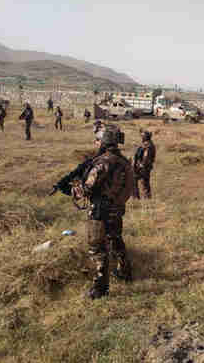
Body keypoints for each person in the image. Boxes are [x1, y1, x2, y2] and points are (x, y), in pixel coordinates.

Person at [71, 126, 134, 299]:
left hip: (101, 212)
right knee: (116, 240)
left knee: (97, 249)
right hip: (117, 209)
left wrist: (75, 188)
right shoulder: (123, 161)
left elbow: (87, 188)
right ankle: (125, 272)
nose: (95, 142)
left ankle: (99, 289)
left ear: (104, 142)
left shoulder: (104, 161)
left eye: (98, 140)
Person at [133, 130, 156, 199]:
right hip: (145, 167)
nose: (141, 137)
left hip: (143, 167)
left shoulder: (148, 145)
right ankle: (147, 198)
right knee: (145, 183)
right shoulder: (149, 144)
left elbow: (146, 157)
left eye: (142, 136)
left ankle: (136, 197)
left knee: (136, 180)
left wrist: (141, 166)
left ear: (145, 137)